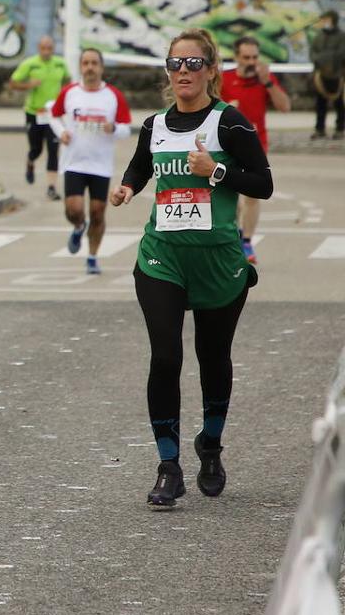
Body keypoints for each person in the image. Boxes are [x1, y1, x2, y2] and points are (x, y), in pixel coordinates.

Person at [110, 28, 272, 509]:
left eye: (193, 63)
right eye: (175, 64)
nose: (183, 72)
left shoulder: (230, 123)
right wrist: (127, 188)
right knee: (165, 358)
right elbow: (141, 166)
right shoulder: (154, 124)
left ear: (211, 70)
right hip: (163, 257)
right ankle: (168, 466)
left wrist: (216, 171)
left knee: (213, 357)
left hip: (219, 261)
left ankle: (212, 446)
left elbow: (262, 184)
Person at [49, 48, 132, 274]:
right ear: (80, 67)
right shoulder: (70, 92)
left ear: (101, 67)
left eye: (94, 63)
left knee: (97, 213)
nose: (90, 67)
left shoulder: (112, 95)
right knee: (74, 210)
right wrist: (61, 132)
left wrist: (113, 128)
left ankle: (93, 257)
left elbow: (126, 127)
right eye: (85, 63)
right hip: (75, 161)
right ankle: (78, 227)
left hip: (100, 165)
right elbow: (53, 114)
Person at [220, 36, 290, 264]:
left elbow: (285, 107)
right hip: (227, 146)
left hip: (256, 145)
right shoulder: (225, 79)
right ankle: (232, 237)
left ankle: (247, 241)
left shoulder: (265, 80)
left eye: (254, 57)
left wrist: (268, 83)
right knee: (230, 195)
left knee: (251, 195)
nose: (251, 61)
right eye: (246, 57)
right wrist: (227, 109)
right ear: (236, 57)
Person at [9, 35, 71, 200]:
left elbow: (68, 80)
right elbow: (13, 83)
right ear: (39, 48)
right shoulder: (30, 64)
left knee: (53, 150)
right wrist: (29, 85)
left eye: (49, 48)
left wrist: (64, 98)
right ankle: (30, 161)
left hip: (53, 114)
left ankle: (51, 187)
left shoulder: (60, 63)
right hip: (34, 112)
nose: (46, 52)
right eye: (43, 48)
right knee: (36, 149)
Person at [310, 10, 345, 141]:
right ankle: (320, 129)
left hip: (336, 75)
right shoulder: (319, 36)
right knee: (320, 103)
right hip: (321, 75)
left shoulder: (341, 36)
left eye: (327, 19)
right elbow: (313, 51)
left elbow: (341, 53)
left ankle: (340, 128)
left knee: (339, 103)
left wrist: (328, 60)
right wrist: (319, 61)